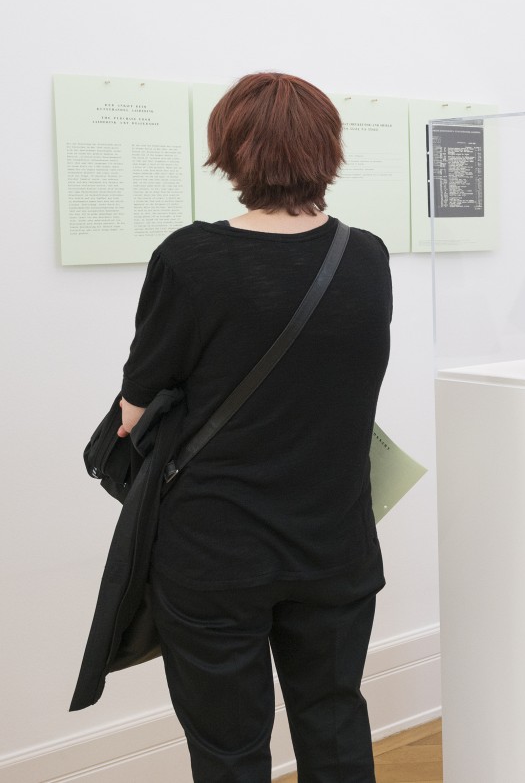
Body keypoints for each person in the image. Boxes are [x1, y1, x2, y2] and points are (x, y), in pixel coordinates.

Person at [116, 72, 392, 781]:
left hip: (214, 553)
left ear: (230, 152)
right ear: (326, 149)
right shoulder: (366, 256)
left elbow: (136, 410)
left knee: (229, 752)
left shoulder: (191, 258)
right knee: (334, 730)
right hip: (333, 544)